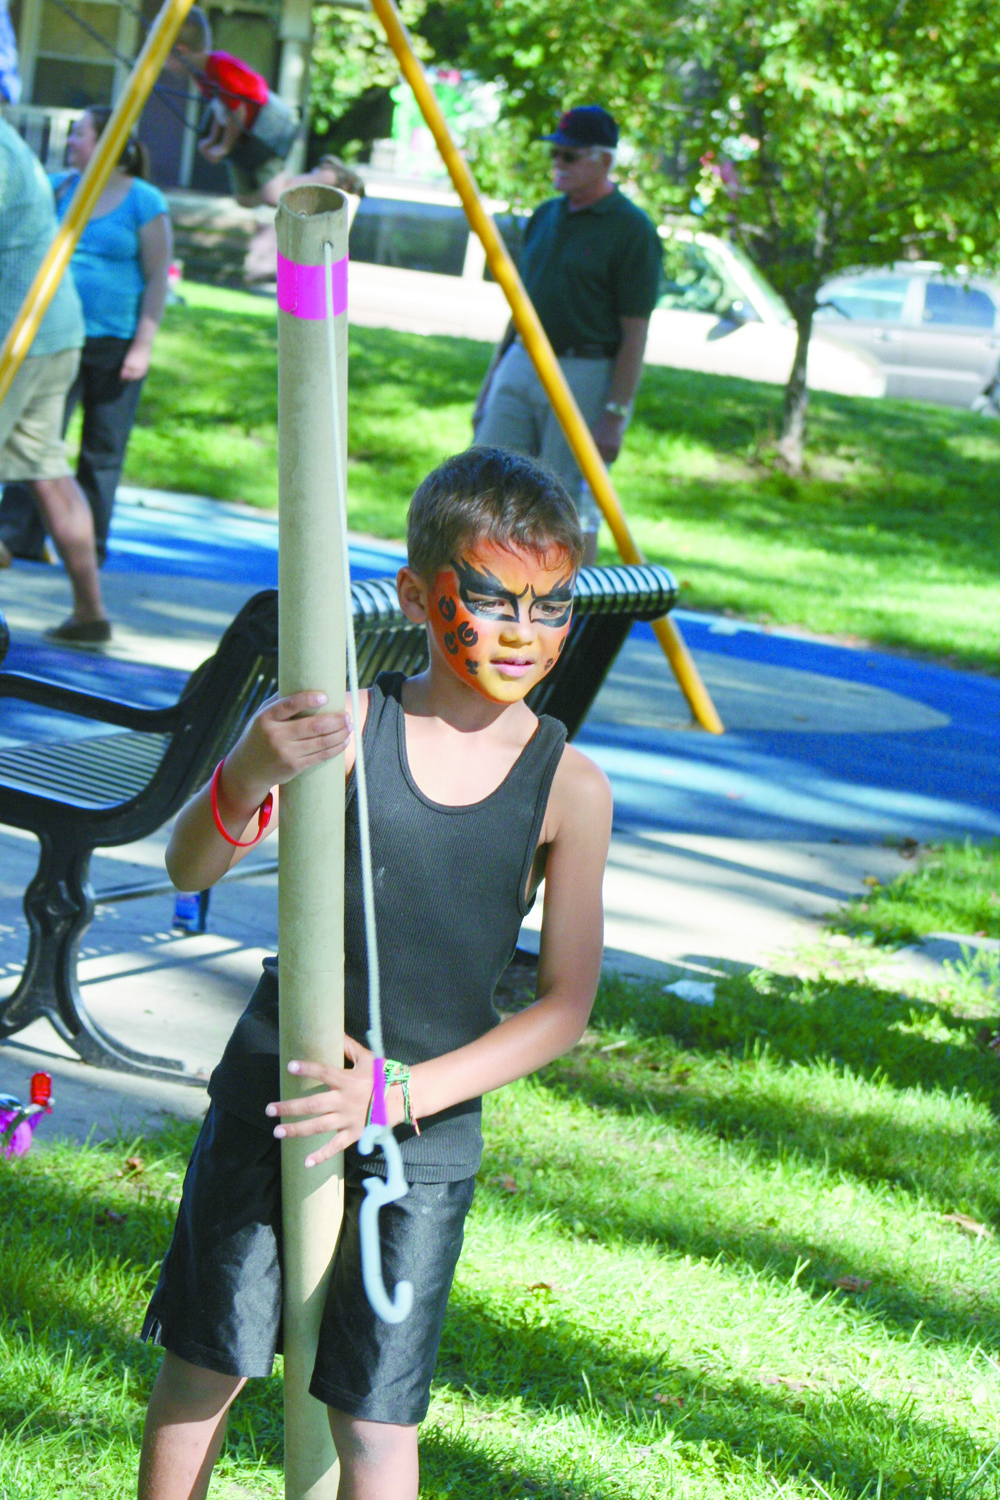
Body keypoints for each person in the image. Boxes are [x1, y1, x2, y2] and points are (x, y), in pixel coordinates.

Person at [136, 447, 612, 1500]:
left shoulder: (570, 787)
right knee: (205, 1367)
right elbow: (189, 865)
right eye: (490, 602)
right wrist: (253, 767)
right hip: (275, 1098)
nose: (523, 634)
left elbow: (565, 1007)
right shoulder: (348, 727)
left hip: (420, 1142)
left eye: (551, 607)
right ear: (417, 595)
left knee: (375, 1423)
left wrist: (401, 1096)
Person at [474, 106, 663, 565]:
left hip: (585, 369)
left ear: (603, 160)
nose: (557, 164)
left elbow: (635, 330)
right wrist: (491, 378)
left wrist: (616, 412)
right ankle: (482, 592)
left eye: (568, 156)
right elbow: (523, 304)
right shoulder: (545, 216)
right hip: (523, 358)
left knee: (564, 506)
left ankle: (569, 620)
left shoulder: (632, 229)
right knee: (482, 481)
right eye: (554, 154)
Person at [0, 107, 171, 566]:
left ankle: (89, 547)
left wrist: (143, 344)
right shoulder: (60, 187)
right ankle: (17, 535)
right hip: (55, 335)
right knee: (35, 442)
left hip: (115, 342)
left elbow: (158, 277)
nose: (71, 142)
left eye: (80, 134)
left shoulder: (144, 200)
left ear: (108, 143)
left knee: (101, 450)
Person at [0, 118, 110, 645]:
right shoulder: (11, 141)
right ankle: (90, 611)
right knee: (47, 467)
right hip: (54, 321)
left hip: (16, 329)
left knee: (47, 466)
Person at [164, 7, 360, 211]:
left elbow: (237, 112)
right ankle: (289, 187)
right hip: (247, 138)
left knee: (274, 197)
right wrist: (213, 140)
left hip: (270, 128)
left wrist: (224, 146)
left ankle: (330, 176)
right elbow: (220, 110)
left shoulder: (219, 66)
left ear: (181, 52)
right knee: (244, 199)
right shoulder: (201, 74)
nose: (162, 64)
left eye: (164, 57)